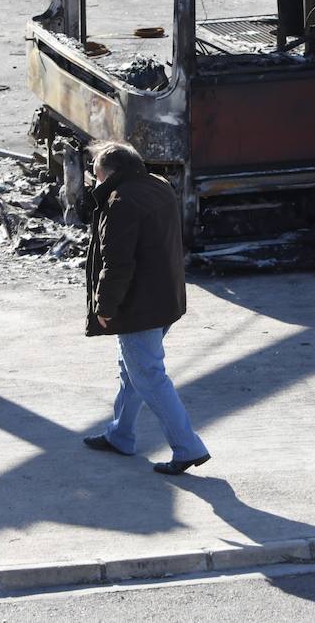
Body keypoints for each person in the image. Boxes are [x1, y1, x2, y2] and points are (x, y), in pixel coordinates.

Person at [81, 140, 210, 475]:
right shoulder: (158, 186)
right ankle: (121, 435)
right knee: (132, 370)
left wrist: (104, 306)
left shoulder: (121, 202)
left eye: (96, 176)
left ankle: (187, 447)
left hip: (139, 306)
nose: (94, 182)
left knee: (149, 376)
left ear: (109, 173)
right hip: (165, 299)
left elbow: (117, 264)